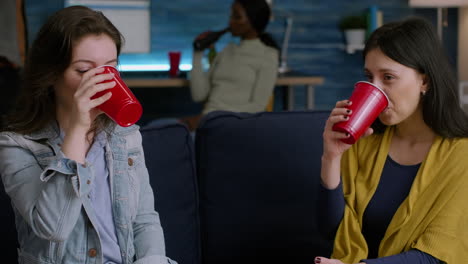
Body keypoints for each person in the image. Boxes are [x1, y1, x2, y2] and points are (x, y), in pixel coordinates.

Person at [0, 6, 176, 264]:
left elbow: (144, 219)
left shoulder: (125, 136)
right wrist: (78, 129)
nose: (101, 80)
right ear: (51, 75)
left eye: (110, 68)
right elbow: (53, 229)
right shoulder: (16, 145)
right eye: (84, 70)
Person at [316, 17, 468, 264]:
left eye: (388, 77)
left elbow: (437, 255)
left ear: (425, 81)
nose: (375, 89)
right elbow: (330, 230)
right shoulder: (364, 142)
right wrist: (331, 158)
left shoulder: (462, 155)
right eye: (369, 76)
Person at [186, 0, 279, 130]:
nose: (230, 22)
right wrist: (197, 53)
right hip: (208, 122)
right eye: (231, 16)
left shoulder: (268, 55)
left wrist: (214, 119)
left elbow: (258, 106)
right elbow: (199, 95)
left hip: (232, 127)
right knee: (161, 129)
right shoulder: (226, 51)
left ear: (253, 20)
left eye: (237, 17)